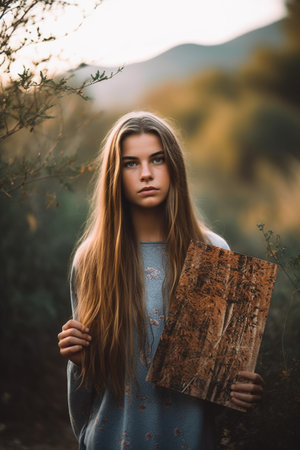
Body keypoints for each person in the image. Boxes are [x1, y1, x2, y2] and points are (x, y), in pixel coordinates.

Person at [58, 111, 264, 449]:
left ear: (175, 168)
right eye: (130, 163)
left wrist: (242, 392)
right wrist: (79, 360)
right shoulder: (92, 259)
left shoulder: (212, 252)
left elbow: (222, 388)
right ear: (115, 174)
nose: (147, 174)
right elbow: (87, 384)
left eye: (158, 159)